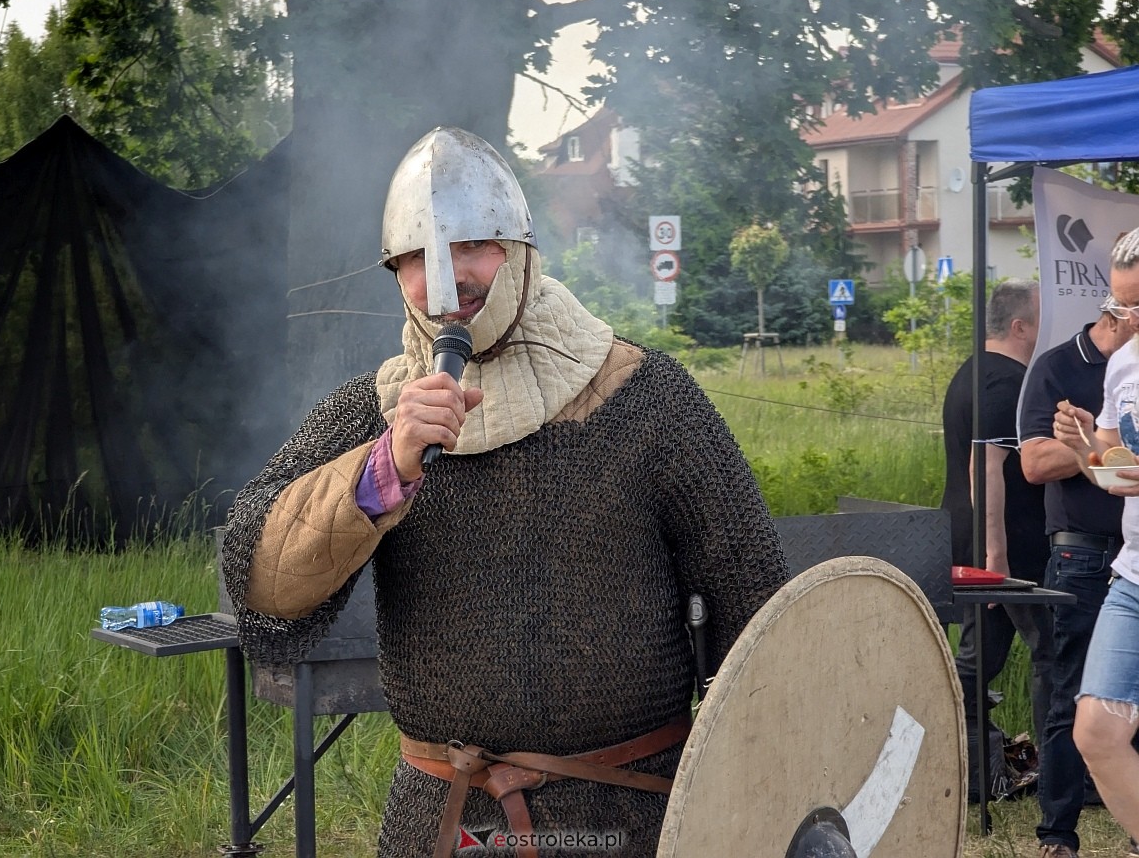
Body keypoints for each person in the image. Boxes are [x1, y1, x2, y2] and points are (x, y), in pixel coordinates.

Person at [221, 126, 787, 857]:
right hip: (444, 818)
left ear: (518, 254)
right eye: (419, 259)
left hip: (629, 815)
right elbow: (258, 576)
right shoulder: (373, 414)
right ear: (395, 275)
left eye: (471, 248)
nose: (448, 281)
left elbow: (758, 610)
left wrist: (756, 791)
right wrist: (384, 468)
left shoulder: (643, 397)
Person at [1019, 301, 1132, 858]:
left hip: (1134, 555)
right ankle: (1058, 834)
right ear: (1118, 314)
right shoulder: (1057, 367)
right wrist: (1093, 444)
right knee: (1069, 697)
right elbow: (1034, 463)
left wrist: (1097, 444)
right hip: (1082, 554)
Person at [940, 277, 1054, 803]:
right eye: (1039, 317)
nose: (1043, 328)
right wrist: (998, 558)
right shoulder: (1007, 382)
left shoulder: (967, 374)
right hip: (1009, 548)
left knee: (977, 657)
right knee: (1051, 651)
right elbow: (984, 466)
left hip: (965, 539)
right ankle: (1059, 769)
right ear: (1018, 325)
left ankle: (970, 764)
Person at [1054, 226, 1139, 856]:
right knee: (1097, 731)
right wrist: (1088, 445)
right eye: (1118, 306)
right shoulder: (1125, 362)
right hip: (1133, 577)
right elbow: (1114, 461)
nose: (1126, 321)